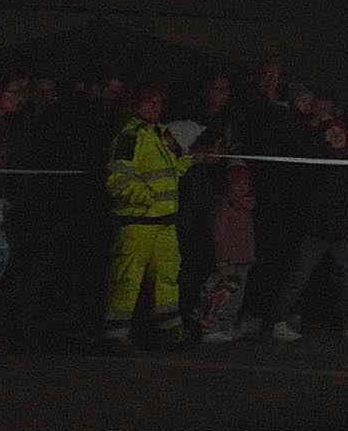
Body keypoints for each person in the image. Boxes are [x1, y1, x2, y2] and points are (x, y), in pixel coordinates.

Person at [102, 80, 209, 348]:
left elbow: (172, 172)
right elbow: (117, 181)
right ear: (136, 102)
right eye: (149, 101)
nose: (155, 106)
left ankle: (169, 332)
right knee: (127, 280)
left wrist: (191, 161)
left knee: (167, 279)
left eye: (159, 102)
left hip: (164, 224)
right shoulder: (131, 136)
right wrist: (148, 199)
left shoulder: (161, 134)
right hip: (137, 224)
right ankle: (115, 337)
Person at [267, 119, 348, 340]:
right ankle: (277, 321)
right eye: (330, 131)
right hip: (317, 230)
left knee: (346, 278)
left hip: (343, 231)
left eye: (339, 130)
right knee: (299, 277)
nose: (336, 134)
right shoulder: (316, 160)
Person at [197, 161, 260, 341]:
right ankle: (210, 328)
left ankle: (226, 327)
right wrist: (221, 258)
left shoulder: (246, 206)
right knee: (219, 296)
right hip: (228, 260)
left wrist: (250, 254)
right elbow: (220, 234)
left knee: (235, 298)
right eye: (237, 183)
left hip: (243, 258)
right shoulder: (225, 206)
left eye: (245, 184)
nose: (242, 187)